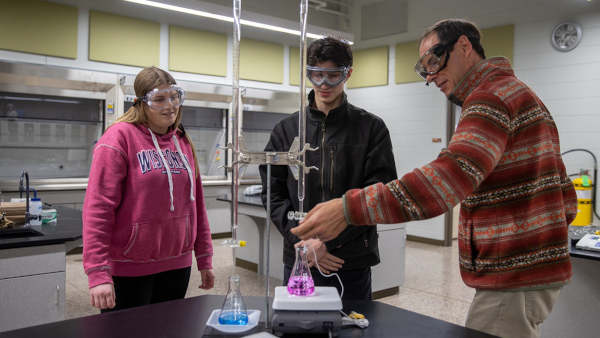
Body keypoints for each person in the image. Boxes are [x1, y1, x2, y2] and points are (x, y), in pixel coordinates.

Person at [292, 19, 577, 338]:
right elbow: (566, 197)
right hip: (526, 267)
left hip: (515, 271)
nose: (430, 76)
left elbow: (446, 180)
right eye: (422, 68)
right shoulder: (518, 93)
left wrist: (347, 209)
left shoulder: (491, 98)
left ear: (465, 46)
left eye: (434, 60)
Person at [259, 37, 397, 300]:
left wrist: (326, 243)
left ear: (348, 74)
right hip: (300, 256)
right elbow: (272, 193)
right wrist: (302, 243)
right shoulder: (286, 130)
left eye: (332, 76)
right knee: (296, 327)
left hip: (349, 259)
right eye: (316, 75)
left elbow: (379, 195)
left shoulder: (371, 129)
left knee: (351, 326)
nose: (323, 84)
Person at [82, 67, 215, 311]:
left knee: (169, 331)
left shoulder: (183, 141)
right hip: (129, 266)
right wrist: (98, 273)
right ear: (141, 103)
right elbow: (98, 209)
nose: (170, 106)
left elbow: (196, 205)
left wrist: (204, 257)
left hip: (177, 265)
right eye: (159, 99)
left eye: (174, 97)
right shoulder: (118, 139)